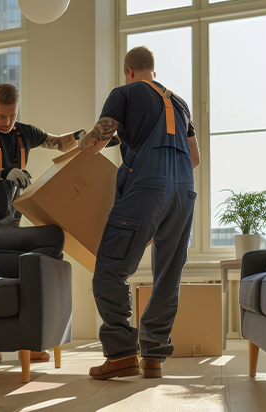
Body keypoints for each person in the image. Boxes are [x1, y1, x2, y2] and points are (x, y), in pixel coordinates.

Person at [78, 46, 200, 380]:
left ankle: (120, 354)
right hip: (184, 192)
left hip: (149, 185)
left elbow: (94, 143)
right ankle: (154, 356)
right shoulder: (179, 102)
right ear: (153, 72)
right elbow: (195, 157)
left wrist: (80, 141)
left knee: (110, 269)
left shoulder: (124, 93)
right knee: (167, 275)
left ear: (128, 70)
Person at [0, 83, 84, 363]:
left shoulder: (23, 132)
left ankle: (25, 344)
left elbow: (56, 141)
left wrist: (80, 136)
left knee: (15, 278)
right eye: (2, 116)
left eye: (12, 116)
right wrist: (5, 172)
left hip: (10, 216)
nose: (7, 122)